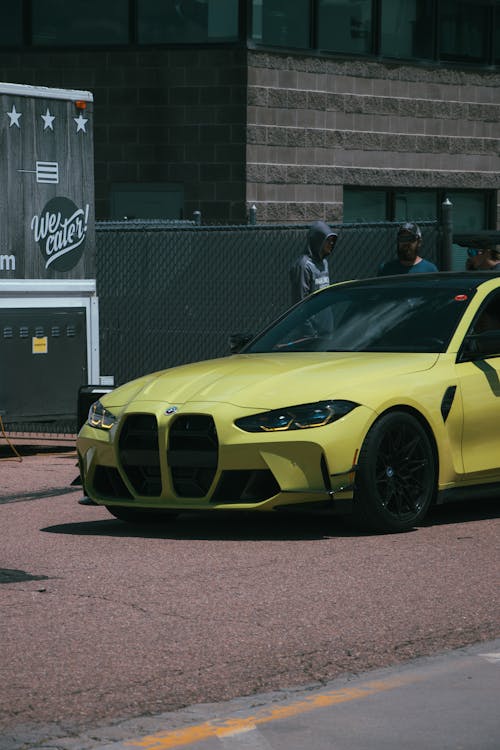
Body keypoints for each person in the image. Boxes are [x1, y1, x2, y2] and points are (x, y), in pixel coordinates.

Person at [290, 221, 338, 304]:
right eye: (328, 240)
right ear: (318, 240)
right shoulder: (304, 265)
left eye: (332, 240)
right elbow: (300, 300)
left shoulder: (324, 262)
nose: (331, 243)